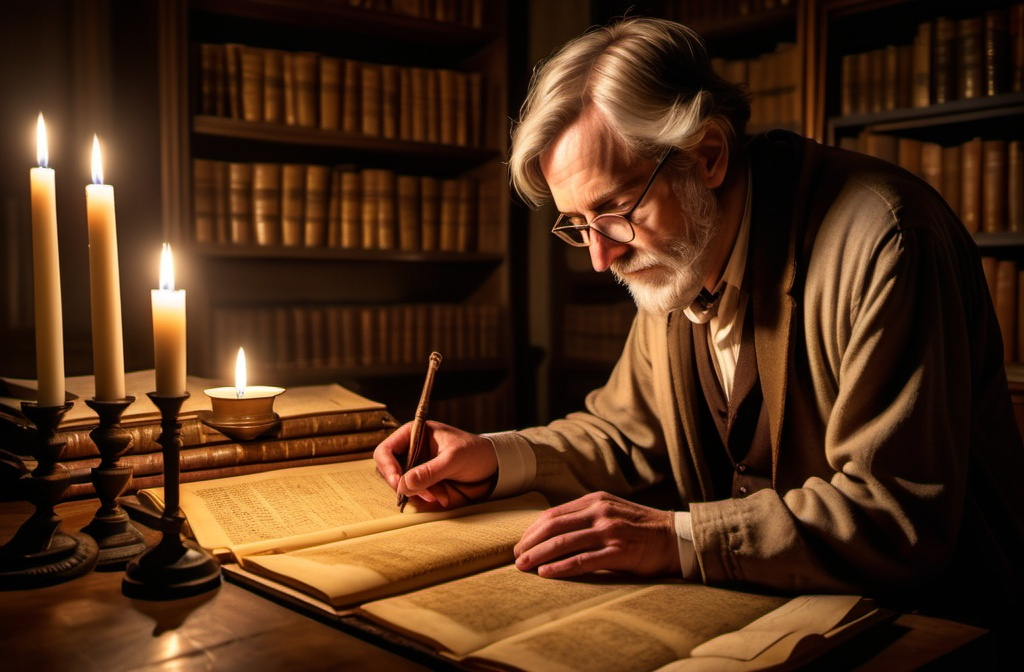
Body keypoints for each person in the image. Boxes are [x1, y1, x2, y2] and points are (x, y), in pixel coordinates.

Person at [374, 16, 1024, 633]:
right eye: (578, 225)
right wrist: (493, 455)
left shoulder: (886, 240)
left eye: (616, 210)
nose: (601, 258)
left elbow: (896, 513)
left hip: (936, 628)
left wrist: (675, 538)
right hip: (774, 617)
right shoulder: (676, 256)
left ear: (708, 154)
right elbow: (625, 433)